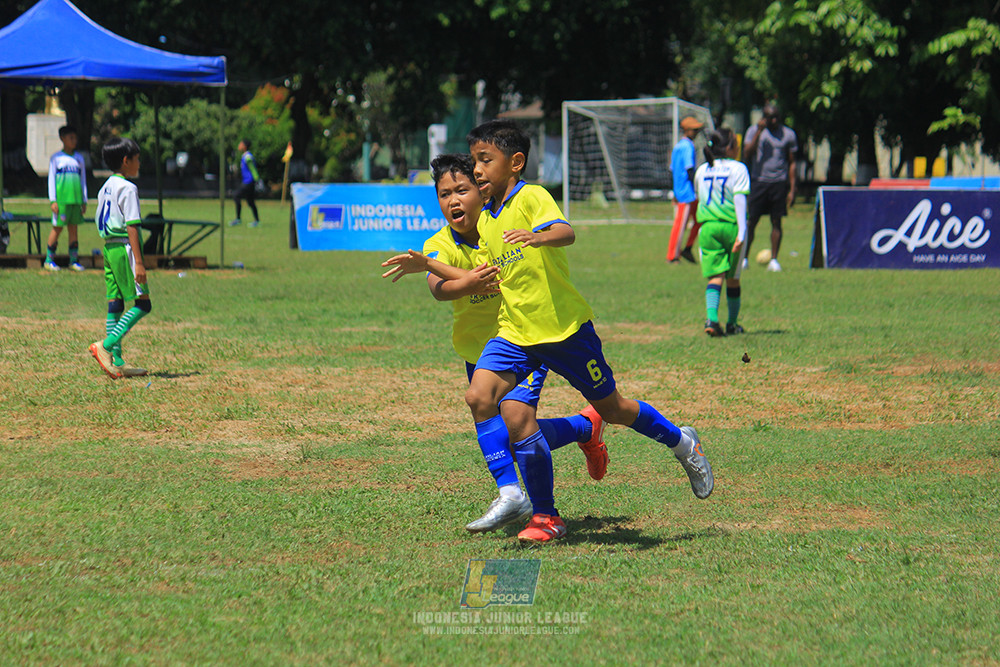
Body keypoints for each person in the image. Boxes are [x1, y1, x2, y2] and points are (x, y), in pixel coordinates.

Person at [464, 120, 714, 545]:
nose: (477, 170)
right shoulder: (486, 219)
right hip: (516, 334)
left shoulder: (532, 196)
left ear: (516, 163)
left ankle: (682, 443)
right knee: (479, 396)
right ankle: (516, 497)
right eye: (474, 162)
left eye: (485, 160)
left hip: (565, 331)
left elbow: (567, 231)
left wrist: (538, 237)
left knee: (614, 408)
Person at [380, 153, 608, 534]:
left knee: (518, 420)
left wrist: (455, 274)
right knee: (511, 430)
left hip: (524, 340)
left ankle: (532, 507)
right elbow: (440, 289)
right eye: (444, 194)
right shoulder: (437, 243)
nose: (453, 200)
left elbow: (502, 271)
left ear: (482, 190)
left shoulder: (500, 233)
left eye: (462, 190)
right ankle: (583, 428)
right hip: (479, 354)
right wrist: (453, 277)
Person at [88, 138, 151, 379]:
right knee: (143, 304)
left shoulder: (105, 186)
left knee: (115, 304)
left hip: (108, 249)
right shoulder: (128, 188)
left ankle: (117, 360)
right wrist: (140, 261)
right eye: (137, 158)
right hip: (125, 249)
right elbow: (133, 226)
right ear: (126, 161)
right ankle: (105, 346)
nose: (139, 162)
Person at [695, 128, 749, 337]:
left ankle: (712, 319)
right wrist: (742, 233)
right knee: (733, 278)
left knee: (714, 276)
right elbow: (740, 200)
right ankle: (732, 324)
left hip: (707, 227)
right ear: (729, 147)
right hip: (731, 227)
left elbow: (700, 199)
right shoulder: (738, 169)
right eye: (736, 143)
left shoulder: (702, 170)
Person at [743, 103, 797, 272]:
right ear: (763, 118)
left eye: (776, 117)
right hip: (759, 181)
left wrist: (793, 189)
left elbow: (792, 162)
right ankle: (744, 258)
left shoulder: (788, 134)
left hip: (778, 182)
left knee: (776, 221)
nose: (773, 120)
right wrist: (759, 132)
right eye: (769, 117)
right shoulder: (753, 131)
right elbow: (746, 154)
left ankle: (774, 260)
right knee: (751, 221)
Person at [45, 125, 88, 271]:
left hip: (75, 201)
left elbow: (83, 180)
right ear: (62, 138)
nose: (74, 141)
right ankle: (49, 260)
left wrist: (84, 200)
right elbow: (51, 179)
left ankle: (73, 261)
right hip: (62, 201)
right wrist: (53, 200)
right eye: (71, 138)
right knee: (57, 228)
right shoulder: (56, 158)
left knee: (73, 229)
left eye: (75, 138)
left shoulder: (79, 158)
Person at [666, 116, 704, 264]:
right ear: (687, 131)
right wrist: (698, 185)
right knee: (680, 224)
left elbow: (671, 171)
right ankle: (672, 256)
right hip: (686, 193)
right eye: (694, 130)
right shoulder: (688, 146)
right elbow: (689, 170)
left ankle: (687, 248)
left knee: (700, 219)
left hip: (682, 191)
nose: (696, 133)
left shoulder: (678, 146)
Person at [229, 139, 261, 227]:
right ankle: (257, 220)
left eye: (241, 144)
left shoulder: (248, 157)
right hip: (247, 181)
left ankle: (238, 219)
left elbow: (253, 169)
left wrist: (257, 180)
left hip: (249, 181)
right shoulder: (245, 156)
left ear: (244, 146)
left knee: (236, 195)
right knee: (250, 201)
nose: (239, 145)